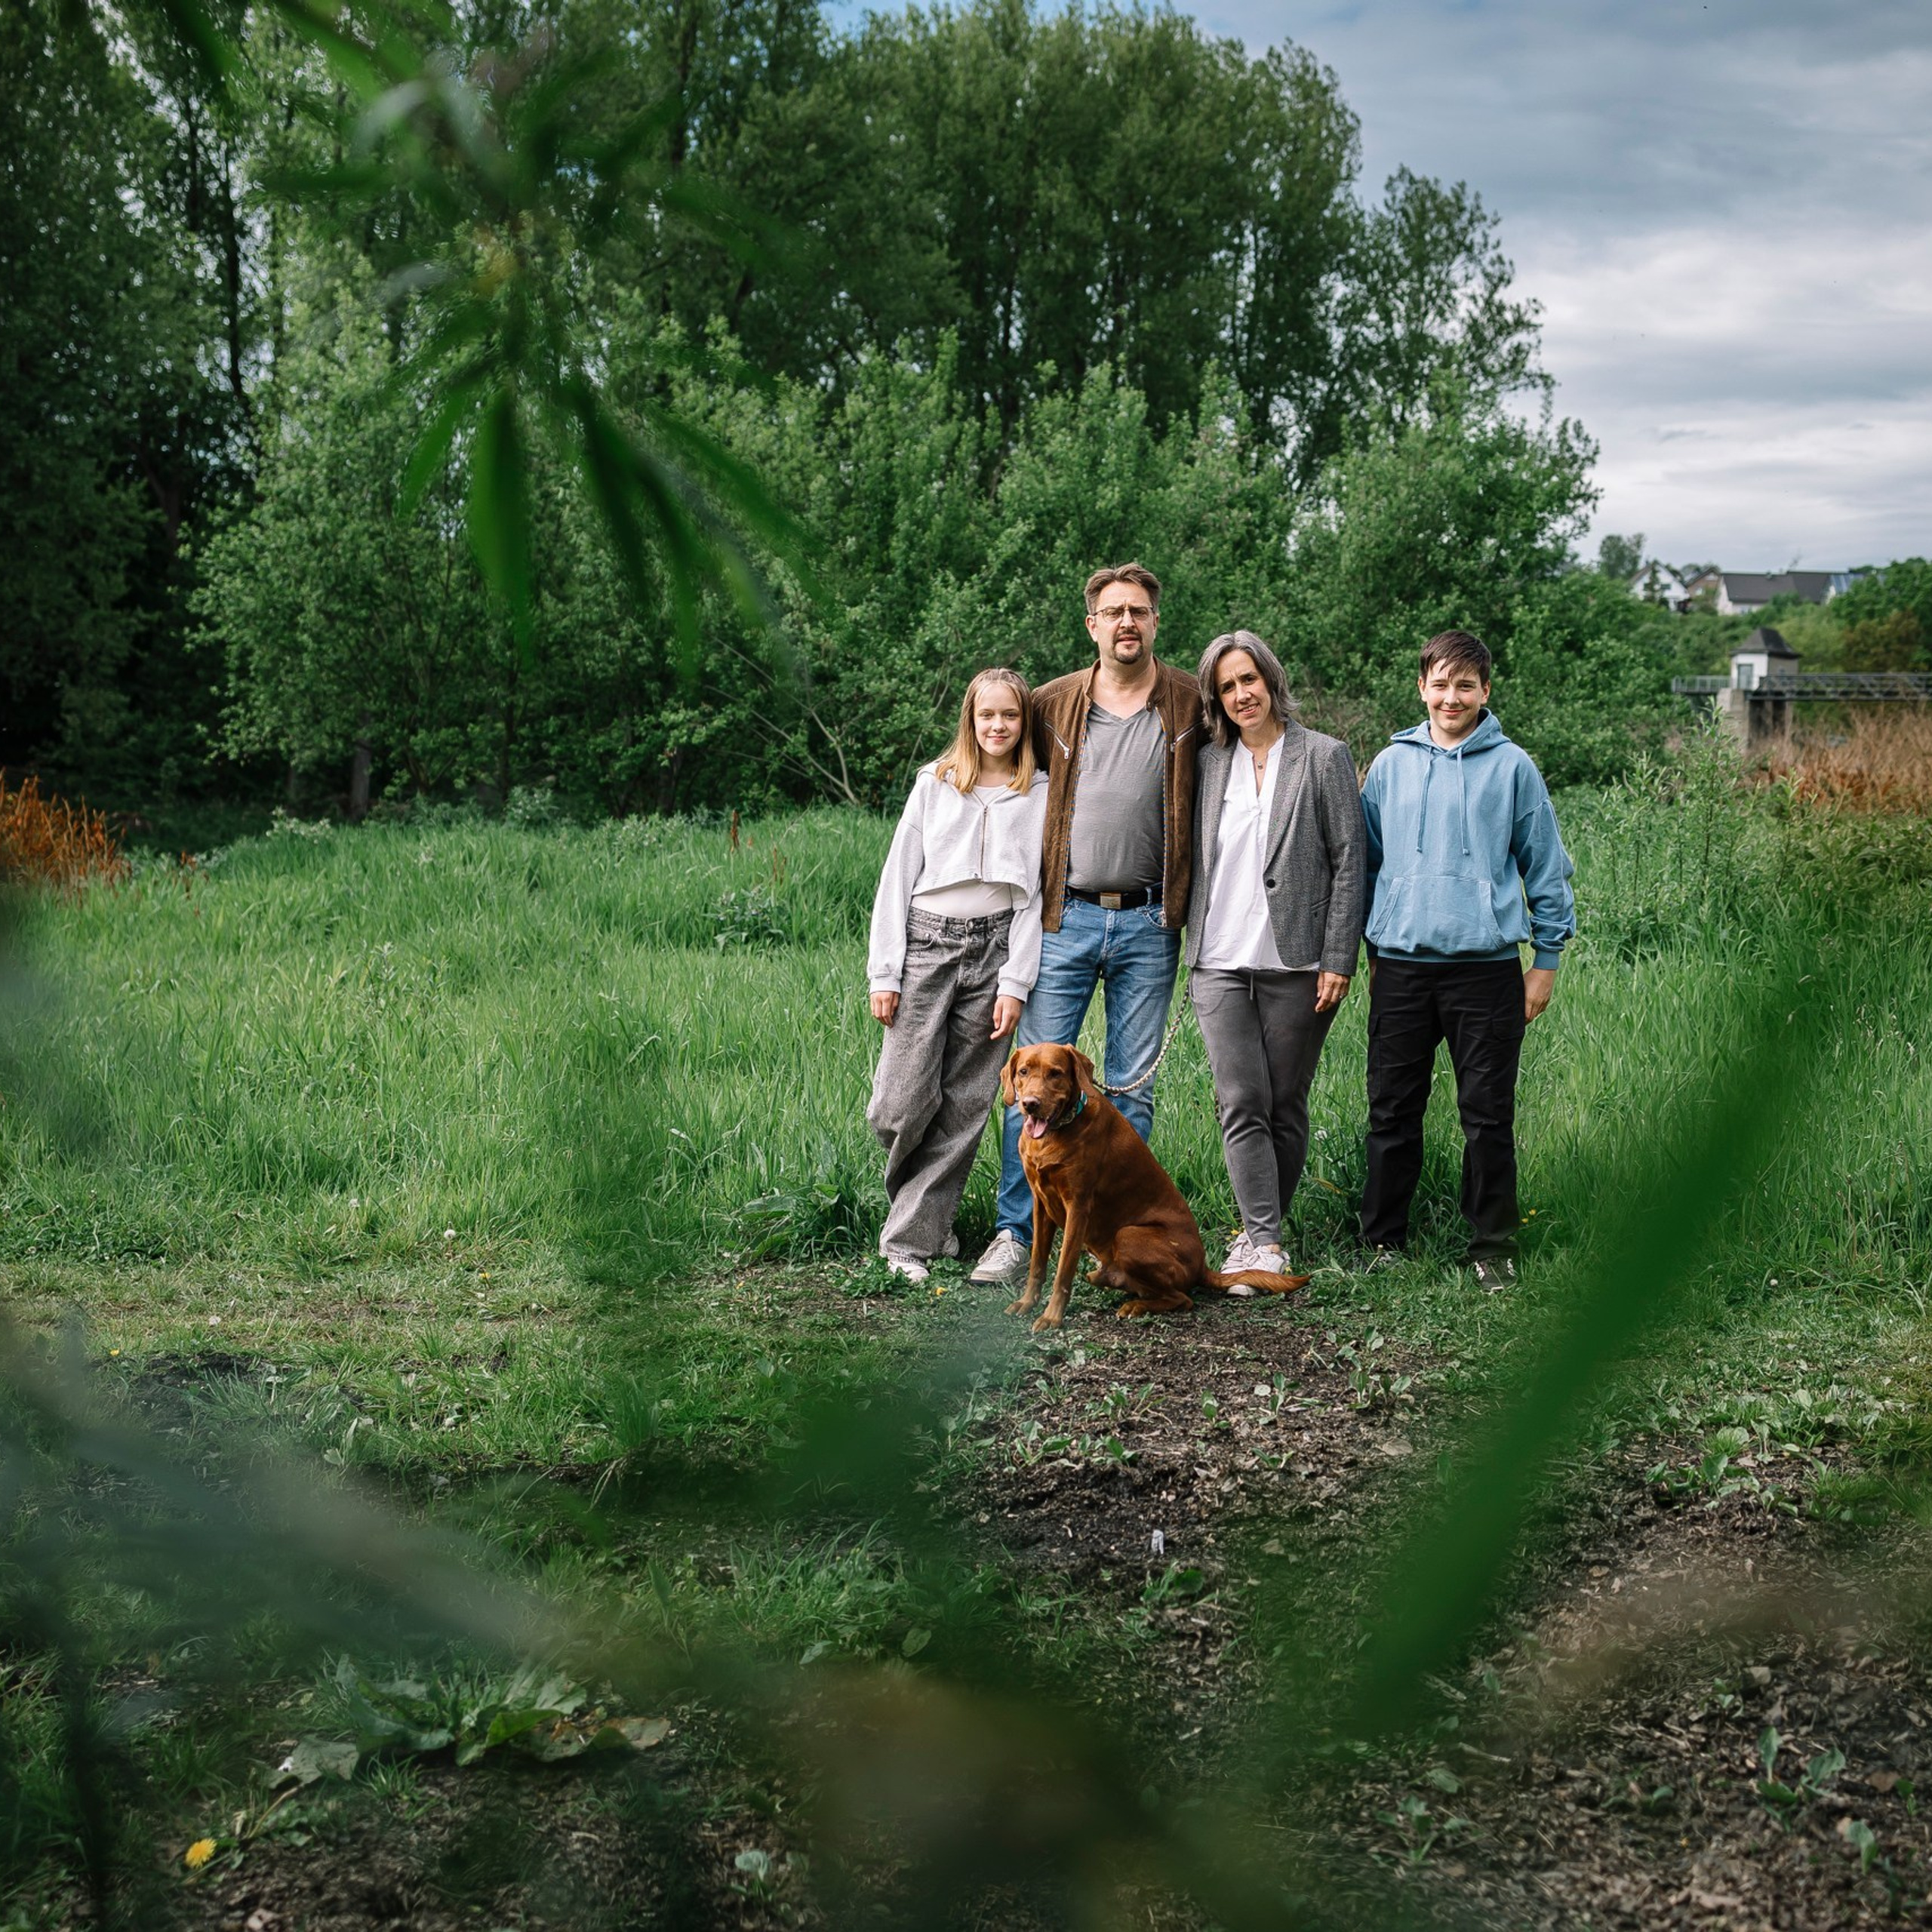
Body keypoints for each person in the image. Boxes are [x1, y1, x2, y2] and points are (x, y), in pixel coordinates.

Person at [971, 561, 1204, 1287]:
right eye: (1114, 612)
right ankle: (1016, 1232)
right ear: (1093, 625)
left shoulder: (1191, 704)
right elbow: (995, 753)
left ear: (1155, 622)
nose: (1127, 622)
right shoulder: (1051, 704)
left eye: (1139, 610)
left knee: (1128, 1090)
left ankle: (1104, 1242)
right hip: (1064, 914)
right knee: (1030, 1085)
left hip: (1147, 918)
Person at [1356, 629, 1575, 1287]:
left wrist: (1547, 958)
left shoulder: (1513, 768)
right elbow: (1366, 864)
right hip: (1400, 964)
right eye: (1441, 684)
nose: (1452, 697)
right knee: (1392, 1109)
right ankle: (1383, 1241)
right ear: (1421, 687)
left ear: (1485, 690)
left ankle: (1493, 1247)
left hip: (1486, 968)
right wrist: (1371, 944)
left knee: (1487, 1112)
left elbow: (1547, 867)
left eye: (1466, 685)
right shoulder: (1389, 765)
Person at [1184, 631, 1367, 1278]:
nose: (1242, 695)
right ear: (1216, 698)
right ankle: (1262, 1242)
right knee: (1240, 1098)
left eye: (1249, 680)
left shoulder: (1323, 756)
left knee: (1285, 1102)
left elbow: (1351, 861)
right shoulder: (1206, 763)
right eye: (1227, 687)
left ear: (1271, 680)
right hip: (1217, 958)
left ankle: (1263, 1234)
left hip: (1299, 960)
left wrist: (1339, 956)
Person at [866, 668, 1048, 1283]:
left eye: (1011, 716)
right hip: (926, 945)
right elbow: (897, 877)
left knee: (965, 1105)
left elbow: (1035, 898)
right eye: (986, 715)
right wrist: (884, 972)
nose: (998, 726)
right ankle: (924, 1216)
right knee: (900, 1101)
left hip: (994, 950)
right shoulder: (936, 785)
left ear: (1026, 723)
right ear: (970, 721)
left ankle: (908, 1244)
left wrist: (1015, 983)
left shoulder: (1040, 792)